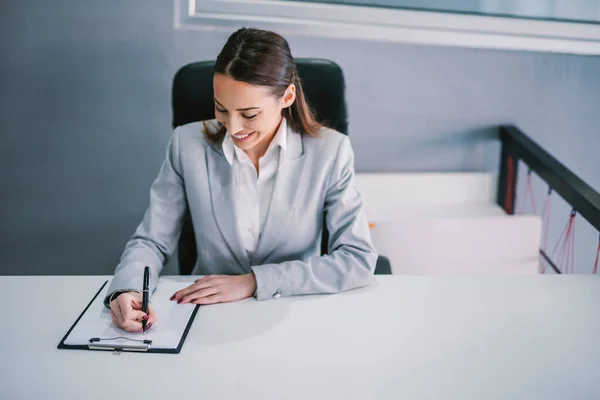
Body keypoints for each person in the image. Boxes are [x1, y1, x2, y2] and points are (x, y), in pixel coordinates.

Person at [105, 27, 377, 332]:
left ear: (287, 96)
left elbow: (357, 260)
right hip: (209, 319)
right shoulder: (186, 144)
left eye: (249, 114)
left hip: (294, 316)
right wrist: (126, 289)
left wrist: (254, 282)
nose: (233, 128)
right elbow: (152, 241)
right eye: (221, 109)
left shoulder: (330, 151)